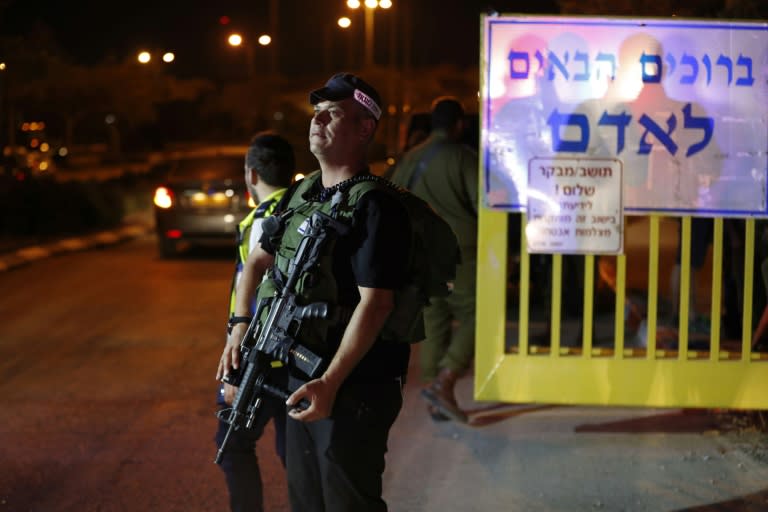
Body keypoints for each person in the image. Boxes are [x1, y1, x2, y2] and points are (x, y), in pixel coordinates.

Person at [217, 72, 412, 512]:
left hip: (353, 386)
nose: (318, 121)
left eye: (334, 114)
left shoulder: (376, 205)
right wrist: (239, 329)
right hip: (299, 380)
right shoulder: (302, 193)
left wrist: (331, 382)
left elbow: (376, 303)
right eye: (317, 113)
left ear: (365, 128)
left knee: (347, 502)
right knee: (306, 502)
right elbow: (256, 262)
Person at [215, 131, 295, 512]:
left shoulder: (265, 221)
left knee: (231, 446)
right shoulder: (297, 209)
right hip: (294, 355)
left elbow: (261, 298)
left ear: (251, 176)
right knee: (293, 452)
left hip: (262, 357)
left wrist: (238, 364)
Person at [390, 96, 478, 422]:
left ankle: (433, 395)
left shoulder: (410, 158)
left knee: (433, 317)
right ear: (459, 124)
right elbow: (481, 200)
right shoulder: (463, 158)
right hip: (460, 252)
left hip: (419, 253)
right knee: (478, 313)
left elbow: (392, 203)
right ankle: (445, 380)